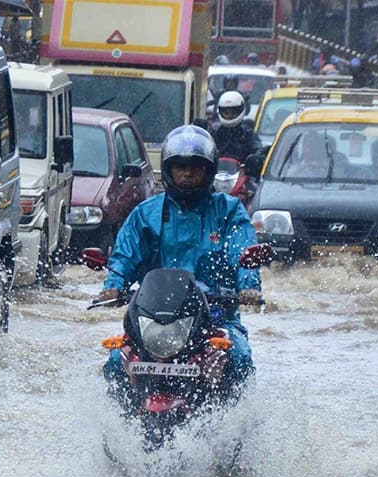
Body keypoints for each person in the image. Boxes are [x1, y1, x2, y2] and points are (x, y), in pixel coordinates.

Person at [96, 125, 262, 390]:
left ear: (209, 170)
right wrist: (113, 286)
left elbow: (242, 252)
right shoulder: (145, 214)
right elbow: (124, 256)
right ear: (168, 169)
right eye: (180, 166)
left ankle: (236, 425)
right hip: (154, 320)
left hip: (216, 318)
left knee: (239, 358)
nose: (187, 173)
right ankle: (117, 425)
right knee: (117, 361)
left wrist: (248, 286)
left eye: (195, 167)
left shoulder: (229, 211)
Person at [211, 91, 261, 161]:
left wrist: (255, 157)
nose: (229, 115)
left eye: (233, 112)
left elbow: (257, 148)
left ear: (240, 110)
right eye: (226, 112)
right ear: (220, 111)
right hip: (216, 170)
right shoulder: (215, 131)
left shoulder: (247, 133)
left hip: (241, 170)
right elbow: (204, 148)